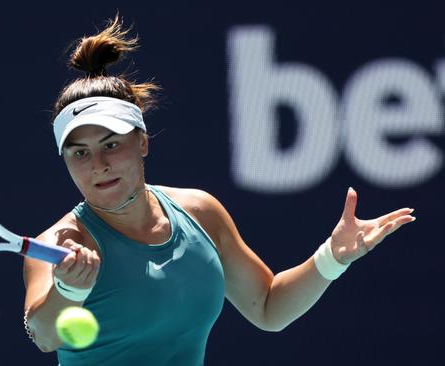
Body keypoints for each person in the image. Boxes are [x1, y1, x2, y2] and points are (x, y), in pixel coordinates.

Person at [22, 15, 415, 366]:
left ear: (142, 142)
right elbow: (44, 334)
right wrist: (69, 287)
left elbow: (267, 307)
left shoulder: (200, 212)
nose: (98, 165)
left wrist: (332, 258)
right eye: (79, 153)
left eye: (111, 144)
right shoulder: (60, 245)